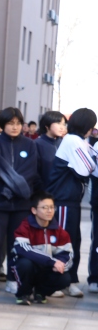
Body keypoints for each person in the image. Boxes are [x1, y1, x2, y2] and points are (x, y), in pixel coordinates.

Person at [0, 107, 41, 295]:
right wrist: (14, 186)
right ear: (3, 124)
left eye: (18, 123)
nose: (15, 127)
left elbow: (30, 171)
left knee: (17, 243)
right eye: (10, 123)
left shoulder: (30, 144)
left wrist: (13, 188)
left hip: (21, 203)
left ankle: (12, 279)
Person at [47, 108, 98, 295]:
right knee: (62, 241)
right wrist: (92, 162)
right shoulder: (73, 141)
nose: (92, 130)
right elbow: (86, 169)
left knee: (73, 240)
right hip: (63, 200)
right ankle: (55, 282)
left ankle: (70, 280)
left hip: (71, 200)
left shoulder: (79, 141)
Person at [9, 192, 72, 305]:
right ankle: (23, 294)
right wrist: (52, 261)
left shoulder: (59, 231)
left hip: (46, 269)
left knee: (65, 278)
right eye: (44, 207)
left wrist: (61, 265)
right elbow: (24, 250)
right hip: (29, 267)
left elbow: (67, 254)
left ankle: (40, 293)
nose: (49, 211)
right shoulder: (24, 227)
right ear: (34, 210)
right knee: (24, 264)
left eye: (52, 207)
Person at [35, 111, 67, 195]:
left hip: (63, 193)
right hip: (44, 193)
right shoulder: (37, 144)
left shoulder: (64, 143)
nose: (62, 127)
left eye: (64, 124)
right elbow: (34, 173)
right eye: (58, 123)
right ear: (47, 125)